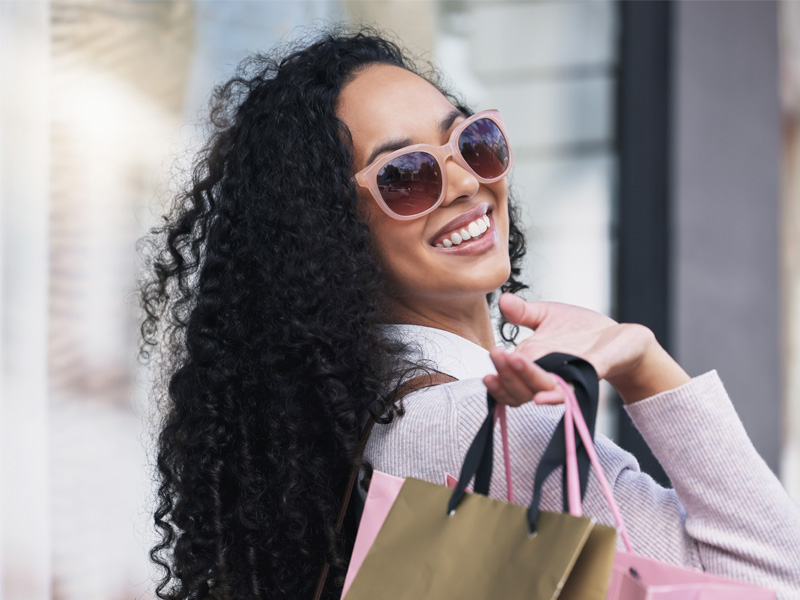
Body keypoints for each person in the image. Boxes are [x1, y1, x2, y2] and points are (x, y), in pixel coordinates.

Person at [140, 28, 800, 600]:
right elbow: (772, 578)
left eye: (472, 140)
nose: (464, 182)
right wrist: (644, 364)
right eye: (405, 175)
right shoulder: (485, 423)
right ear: (329, 232)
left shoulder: (349, 425)